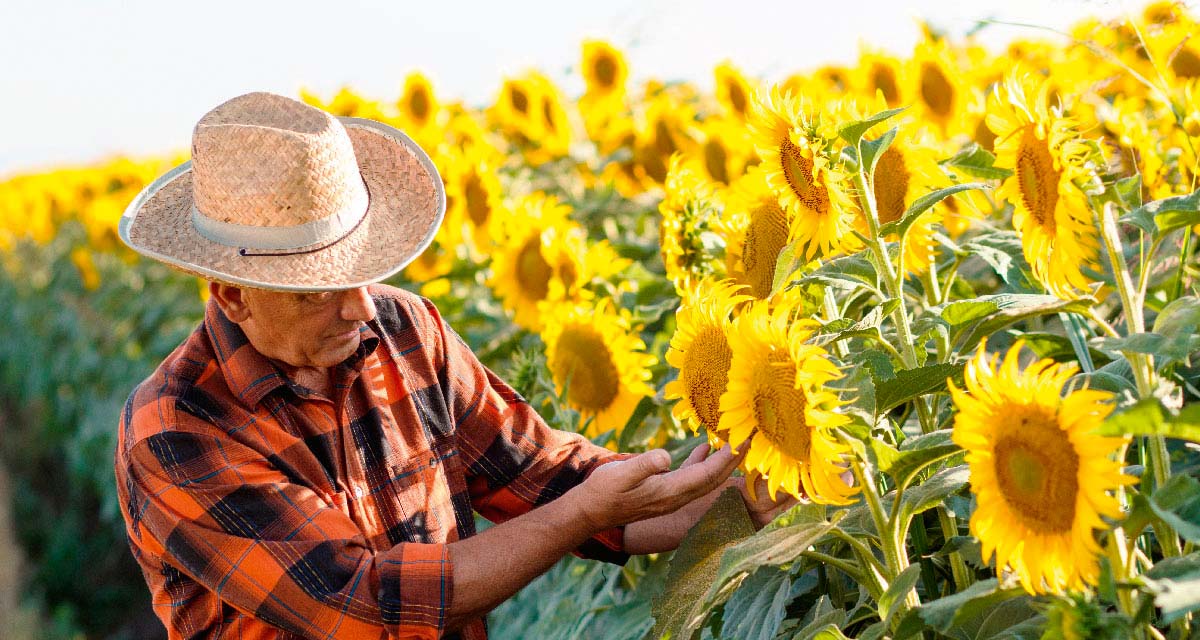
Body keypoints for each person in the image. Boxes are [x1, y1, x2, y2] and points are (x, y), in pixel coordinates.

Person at [114, 92, 793, 639]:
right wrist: (582, 512)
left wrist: (748, 493)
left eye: (365, 270)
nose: (360, 307)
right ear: (231, 293)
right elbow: (368, 608)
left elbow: (553, 484)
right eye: (320, 289)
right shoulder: (177, 428)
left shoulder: (405, 330)